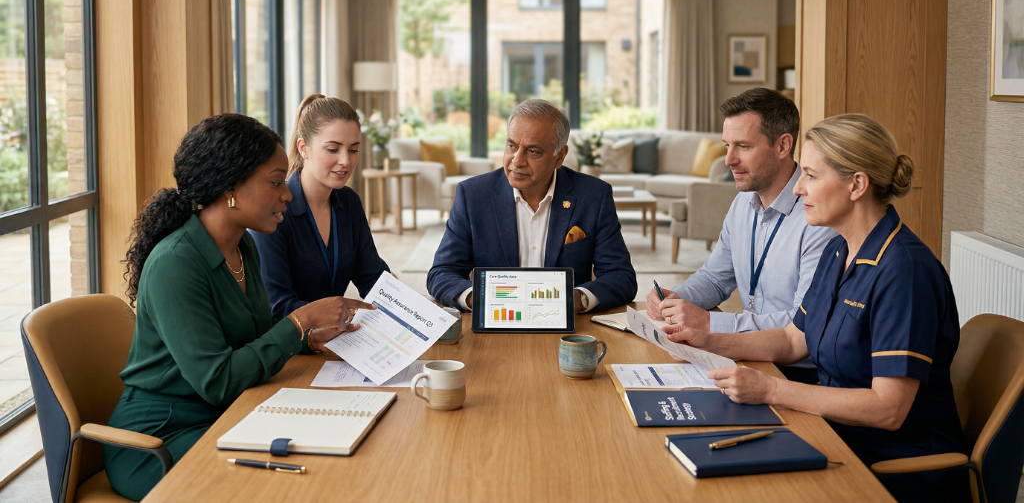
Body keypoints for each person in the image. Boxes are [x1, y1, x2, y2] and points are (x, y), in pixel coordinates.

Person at [663, 114, 969, 503]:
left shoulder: (905, 271)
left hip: (892, 466)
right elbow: (794, 339)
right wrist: (707, 342)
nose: (797, 188)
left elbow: (888, 409)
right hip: (835, 433)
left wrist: (771, 388)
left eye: (810, 175)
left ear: (856, 184)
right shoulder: (839, 249)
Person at [104, 114, 372, 501]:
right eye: (275, 182)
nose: (287, 195)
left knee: (336, 452)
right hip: (160, 440)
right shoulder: (175, 262)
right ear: (230, 187)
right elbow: (218, 381)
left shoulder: (242, 246)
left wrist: (308, 339)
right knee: (294, 485)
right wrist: (299, 322)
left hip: (231, 414)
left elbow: (252, 341)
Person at [644, 88, 834, 383]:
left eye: (743, 146)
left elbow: (800, 325)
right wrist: (677, 298)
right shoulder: (743, 202)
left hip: (796, 372)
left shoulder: (819, 218)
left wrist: (710, 322)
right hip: (745, 355)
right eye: (727, 145)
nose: (728, 160)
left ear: (783, 145)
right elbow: (714, 278)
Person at [427, 99, 637, 313]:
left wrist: (577, 299)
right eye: (512, 146)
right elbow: (441, 273)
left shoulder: (593, 196)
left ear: (560, 156)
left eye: (533, 151)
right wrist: (479, 299)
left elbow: (621, 277)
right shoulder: (473, 195)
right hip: (496, 320)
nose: (517, 161)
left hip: (568, 324)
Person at [251, 94, 390, 322]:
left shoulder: (349, 201)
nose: (346, 161)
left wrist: (402, 303)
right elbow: (277, 306)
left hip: (336, 334)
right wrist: (340, 315)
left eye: (353, 150)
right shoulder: (273, 209)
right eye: (333, 149)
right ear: (303, 148)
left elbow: (372, 277)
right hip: (290, 338)